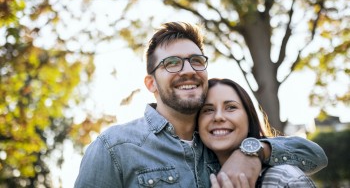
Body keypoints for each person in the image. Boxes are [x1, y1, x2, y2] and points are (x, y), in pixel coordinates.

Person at [74, 22, 327, 188]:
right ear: (150, 83)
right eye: (172, 63)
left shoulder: (219, 142)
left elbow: (314, 155)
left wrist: (253, 151)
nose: (188, 70)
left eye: (196, 60)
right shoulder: (115, 148)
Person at [198, 78, 317, 187]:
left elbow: (316, 153)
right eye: (208, 110)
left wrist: (253, 152)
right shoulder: (190, 176)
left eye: (231, 107)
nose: (218, 117)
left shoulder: (283, 178)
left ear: (249, 120)